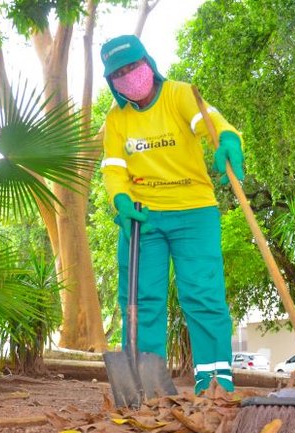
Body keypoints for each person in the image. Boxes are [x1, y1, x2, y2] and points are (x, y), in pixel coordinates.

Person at [99, 34, 245, 395]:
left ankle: (214, 381)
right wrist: (120, 201)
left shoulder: (179, 94)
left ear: (148, 62)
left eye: (133, 65)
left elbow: (207, 121)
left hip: (193, 211)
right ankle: (148, 386)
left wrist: (226, 139)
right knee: (141, 298)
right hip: (142, 216)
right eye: (119, 72)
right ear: (112, 81)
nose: (129, 75)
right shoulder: (117, 120)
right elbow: (114, 168)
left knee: (203, 294)